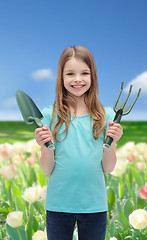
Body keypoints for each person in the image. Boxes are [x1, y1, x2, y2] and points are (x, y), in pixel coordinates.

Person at [34, 45, 123, 240]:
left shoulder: (106, 116)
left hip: (94, 205)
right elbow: (47, 169)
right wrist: (44, 146)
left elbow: (108, 168)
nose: (77, 79)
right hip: (58, 204)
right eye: (70, 74)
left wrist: (113, 140)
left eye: (84, 73)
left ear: (93, 77)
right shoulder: (49, 115)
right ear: (61, 77)